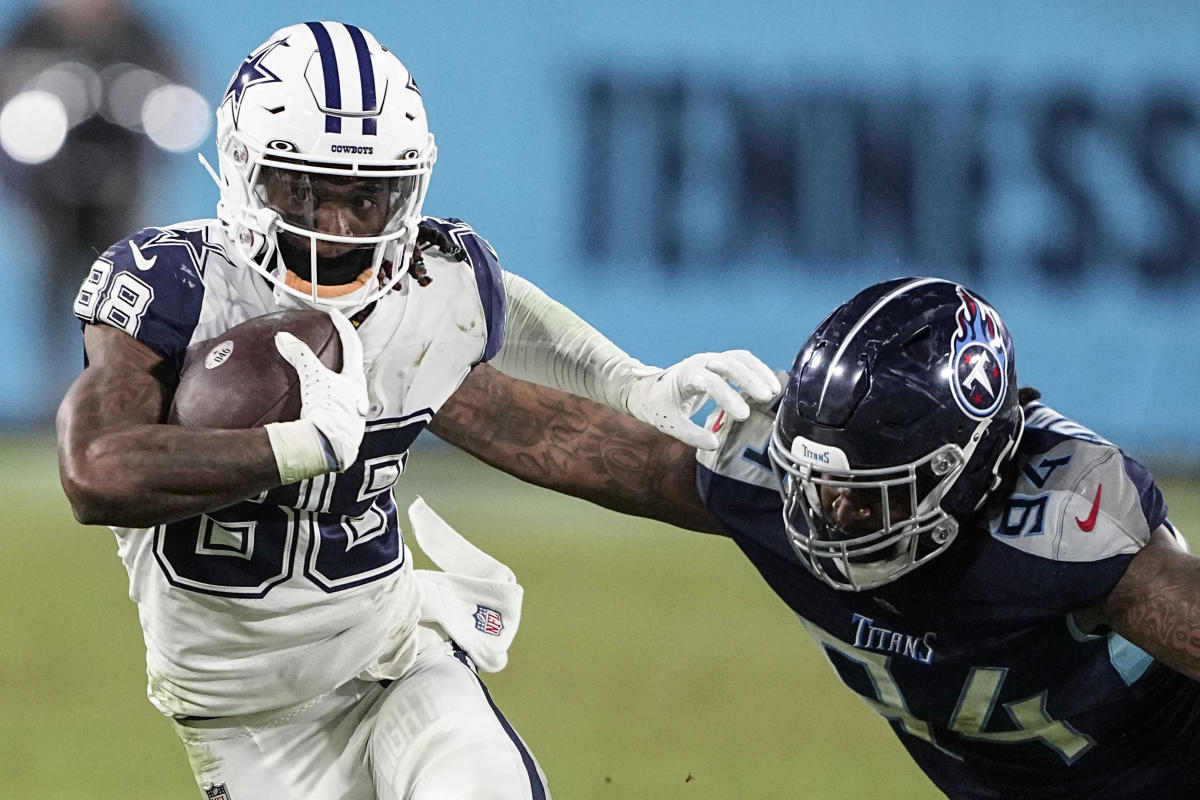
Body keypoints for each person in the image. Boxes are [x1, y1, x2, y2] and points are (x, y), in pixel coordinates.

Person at [55, 21, 779, 800]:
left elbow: (552, 426)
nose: (334, 229)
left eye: (366, 197)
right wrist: (293, 448)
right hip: (247, 726)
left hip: (396, 662)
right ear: (244, 171)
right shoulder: (178, 289)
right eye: (303, 189)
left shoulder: (418, 296)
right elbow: (96, 471)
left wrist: (661, 403)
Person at [430, 276, 1200, 799]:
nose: (833, 517)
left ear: (966, 473)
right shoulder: (768, 478)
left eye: (870, 498)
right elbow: (562, 434)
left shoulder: (1064, 525)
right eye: (819, 485)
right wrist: (399, 366)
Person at [0, 0, 188, 410]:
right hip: (48, 194)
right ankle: (52, 404)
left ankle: (125, 398)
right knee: (52, 295)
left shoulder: (142, 35)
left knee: (128, 293)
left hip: (121, 189)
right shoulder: (30, 33)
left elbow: (177, 102)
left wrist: (134, 95)